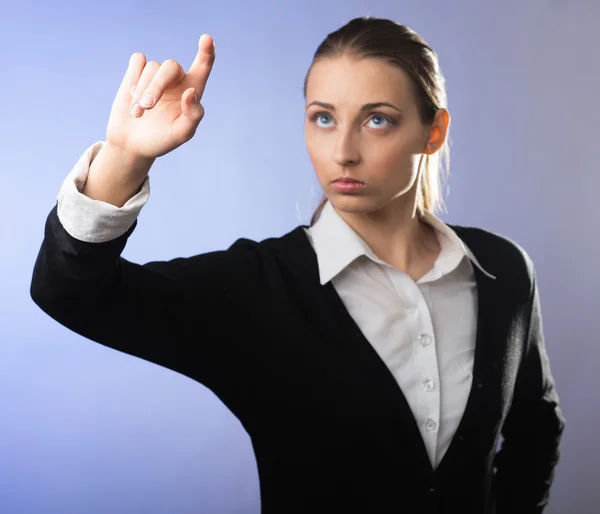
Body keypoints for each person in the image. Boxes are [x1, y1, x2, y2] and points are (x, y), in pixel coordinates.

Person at [30, 16, 565, 514]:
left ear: (434, 131)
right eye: (323, 118)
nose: (343, 152)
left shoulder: (504, 271)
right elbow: (70, 293)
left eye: (377, 119)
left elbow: (537, 430)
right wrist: (126, 157)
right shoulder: (256, 290)